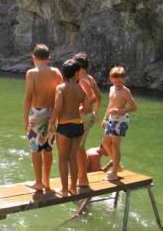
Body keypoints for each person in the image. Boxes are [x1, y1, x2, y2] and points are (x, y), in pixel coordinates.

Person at [24, 44, 63, 191]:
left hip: (36, 113)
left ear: (34, 57)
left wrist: (25, 118)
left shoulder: (31, 73)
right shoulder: (56, 72)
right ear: (48, 58)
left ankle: (38, 182)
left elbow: (28, 98)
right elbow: (61, 94)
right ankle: (47, 181)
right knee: (48, 147)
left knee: (35, 148)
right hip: (52, 113)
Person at [48, 59, 90, 196]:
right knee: (73, 158)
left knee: (62, 159)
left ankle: (64, 190)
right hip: (78, 126)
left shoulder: (61, 88)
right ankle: (73, 187)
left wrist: (51, 122)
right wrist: (78, 108)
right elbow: (87, 106)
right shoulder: (81, 88)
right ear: (76, 73)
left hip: (64, 127)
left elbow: (58, 107)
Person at [102, 66, 137, 181]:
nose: (118, 83)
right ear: (111, 79)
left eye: (120, 81)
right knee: (106, 143)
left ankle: (115, 172)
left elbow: (134, 107)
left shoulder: (125, 91)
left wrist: (119, 111)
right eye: (115, 81)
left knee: (115, 146)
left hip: (121, 120)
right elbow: (110, 104)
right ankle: (118, 165)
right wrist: (105, 118)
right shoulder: (112, 89)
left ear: (124, 79)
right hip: (111, 119)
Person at [73, 52, 102, 187]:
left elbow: (92, 97)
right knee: (81, 147)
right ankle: (82, 175)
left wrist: (80, 109)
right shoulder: (89, 78)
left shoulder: (83, 79)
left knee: (77, 148)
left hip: (84, 117)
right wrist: (95, 113)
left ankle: (83, 178)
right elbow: (99, 96)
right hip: (89, 117)